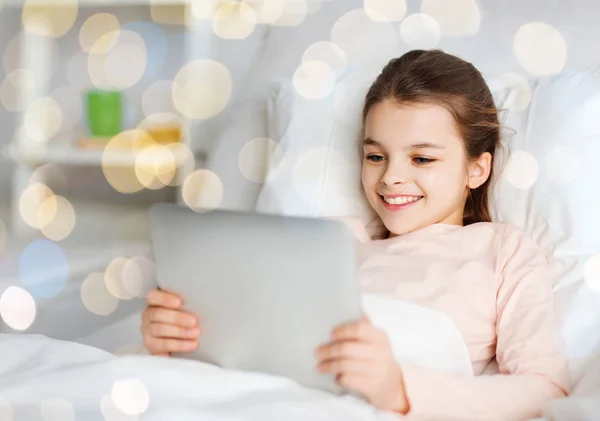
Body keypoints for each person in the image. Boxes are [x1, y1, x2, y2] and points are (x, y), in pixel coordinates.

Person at [140, 49, 571, 420]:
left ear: (478, 168)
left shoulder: (502, 249)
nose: (390, 178)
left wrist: (401, 389)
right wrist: (181, 336)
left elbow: (545, 387)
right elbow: (262, 342)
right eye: (375, 155)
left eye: (421, 158)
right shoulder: (331, 242)